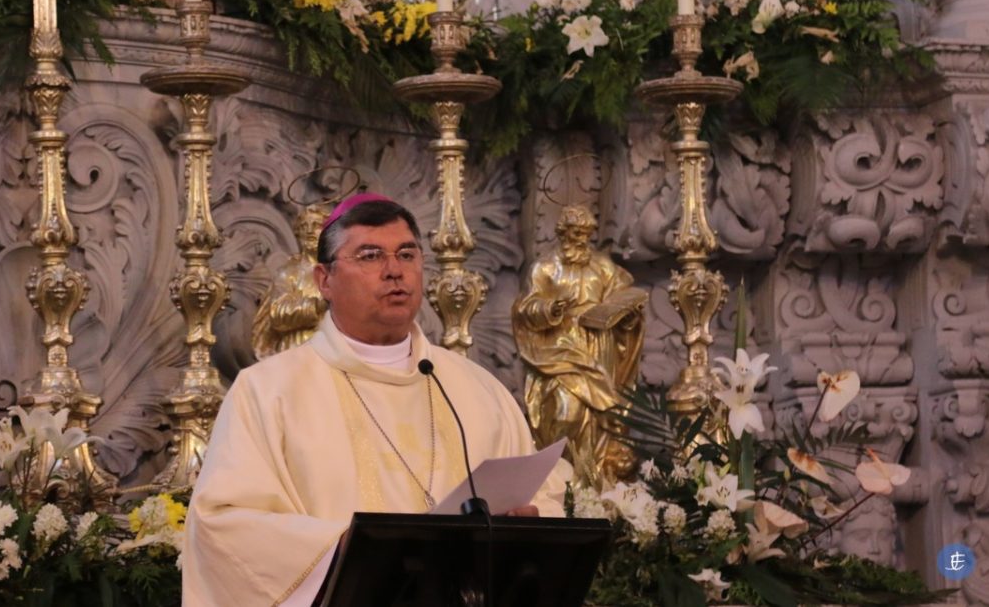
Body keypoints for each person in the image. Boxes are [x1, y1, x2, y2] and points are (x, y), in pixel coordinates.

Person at [183, 193, 569, 607]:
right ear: (324, 280)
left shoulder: (477, 390)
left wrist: (524, 526)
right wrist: (349, 552)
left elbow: (540, 499)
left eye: (407, 254)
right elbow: (222, 523)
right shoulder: (267, 391)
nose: (393, 271)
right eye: (370, 256)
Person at [513, 204, 647, 489]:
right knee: (566, 413)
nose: (581, 240)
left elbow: (622, 300)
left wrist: (627, 316)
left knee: (601, 419)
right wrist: (549, 308)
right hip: (559, 349)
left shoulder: (603, 266)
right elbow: (526, 308)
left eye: (587, 234)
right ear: (562, 233)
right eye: (576, 233)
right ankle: (561, 483)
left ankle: (595, 484)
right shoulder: (545, 268)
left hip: (599, 349)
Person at [251, 203, 330, 359]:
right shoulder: (289, 272)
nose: (309, 231)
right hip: (295, 349)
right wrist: (318, 304)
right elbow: (278, 313)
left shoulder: (339, 270)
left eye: (316, 226)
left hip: (332, 349)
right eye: (304, 226)